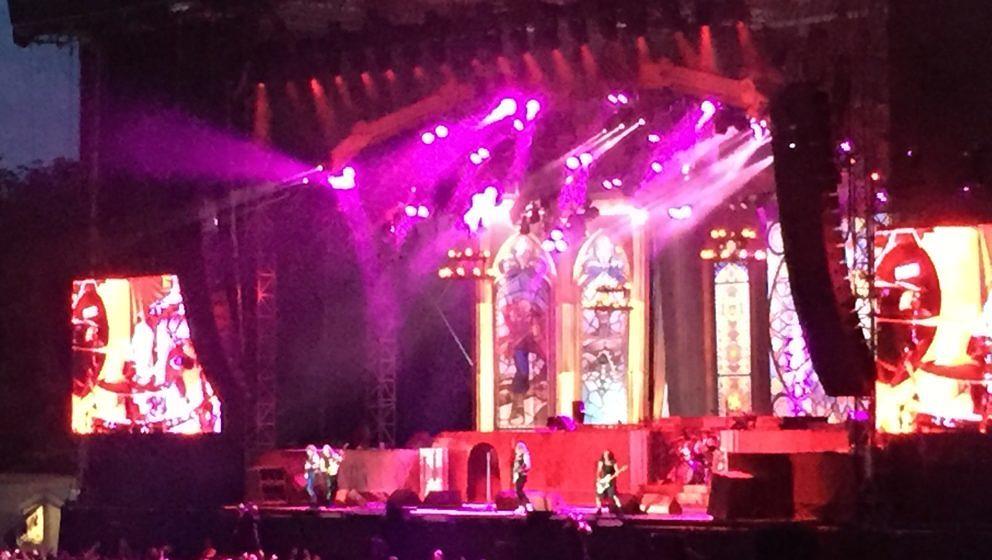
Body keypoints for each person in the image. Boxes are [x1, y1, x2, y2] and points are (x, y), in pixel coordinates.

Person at [595, 450, 624, 515]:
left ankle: (620, 509)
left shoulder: (613, 462)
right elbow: (598, 470)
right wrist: (598, 478)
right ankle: (599, 509)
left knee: (613, 495)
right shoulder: (601, 462)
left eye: (607, 454)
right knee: (599, 496)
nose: (606, 456)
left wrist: (617, 473)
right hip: (602, 480)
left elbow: (617, 471)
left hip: (611, 482)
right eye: (605, 454)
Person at [512, 441, 532, 512]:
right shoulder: (518, 456)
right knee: (517, 491)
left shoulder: (525, 455)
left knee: (519, 490)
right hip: (517, 475)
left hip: (522, 475)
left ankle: (528, 504)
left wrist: (521, 469)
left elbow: (527, 466)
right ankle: (521, 506)